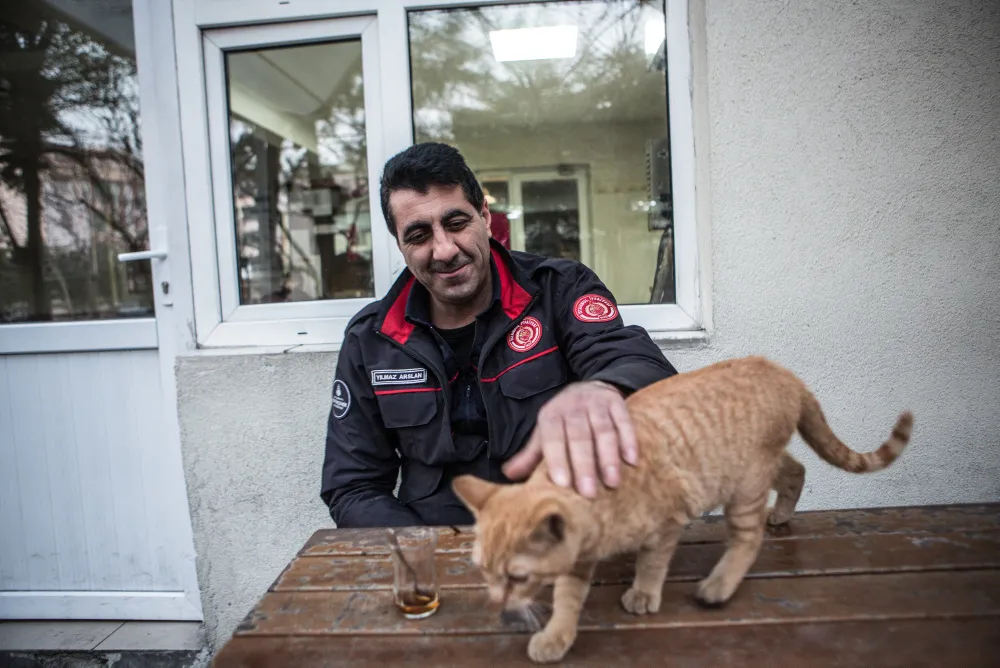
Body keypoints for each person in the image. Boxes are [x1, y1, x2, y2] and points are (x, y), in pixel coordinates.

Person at [320, 143, 678, 527]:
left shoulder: (559, 289)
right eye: (419, 235)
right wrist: (423, 552)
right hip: (433, 546)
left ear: (485, 218)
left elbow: (634, 363)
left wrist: (605, 390)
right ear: (400, 245)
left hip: (558, 532)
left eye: (456, 223)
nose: (443, 250)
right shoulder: (371, 338)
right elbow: (353, 486)